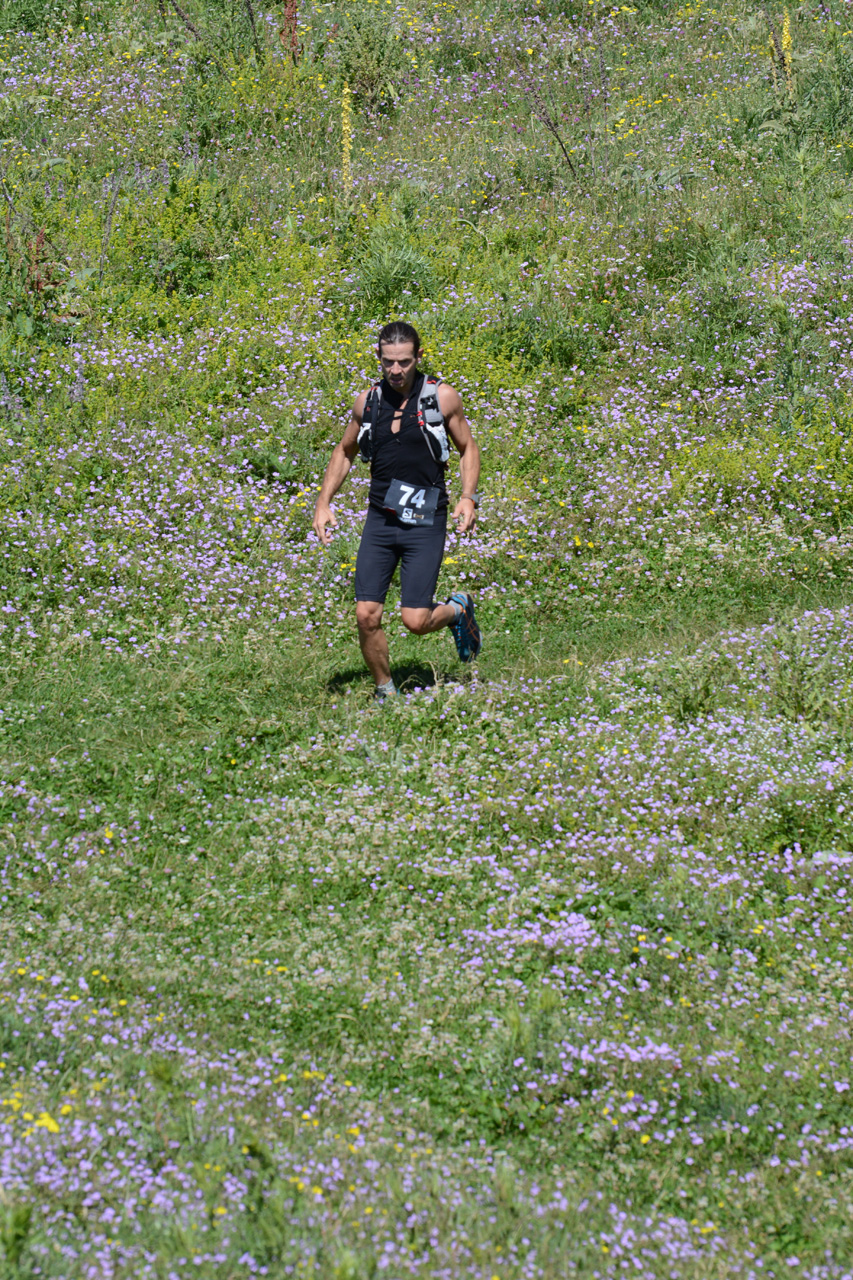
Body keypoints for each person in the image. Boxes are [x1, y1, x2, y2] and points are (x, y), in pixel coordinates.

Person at [312, 321, 481, 698]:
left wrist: (468, 496)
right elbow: (345, 451)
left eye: (404, 361)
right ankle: (385, 691)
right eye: (388, 361)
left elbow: (468, 447)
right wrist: (323, 502)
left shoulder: (441, 398)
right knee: (366, 614)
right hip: (381, 520)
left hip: (425, 521)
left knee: (415, 621)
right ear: (378, 357)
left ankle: (458, 609)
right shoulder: (368, 402)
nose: (396, 370)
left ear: (418, 357)